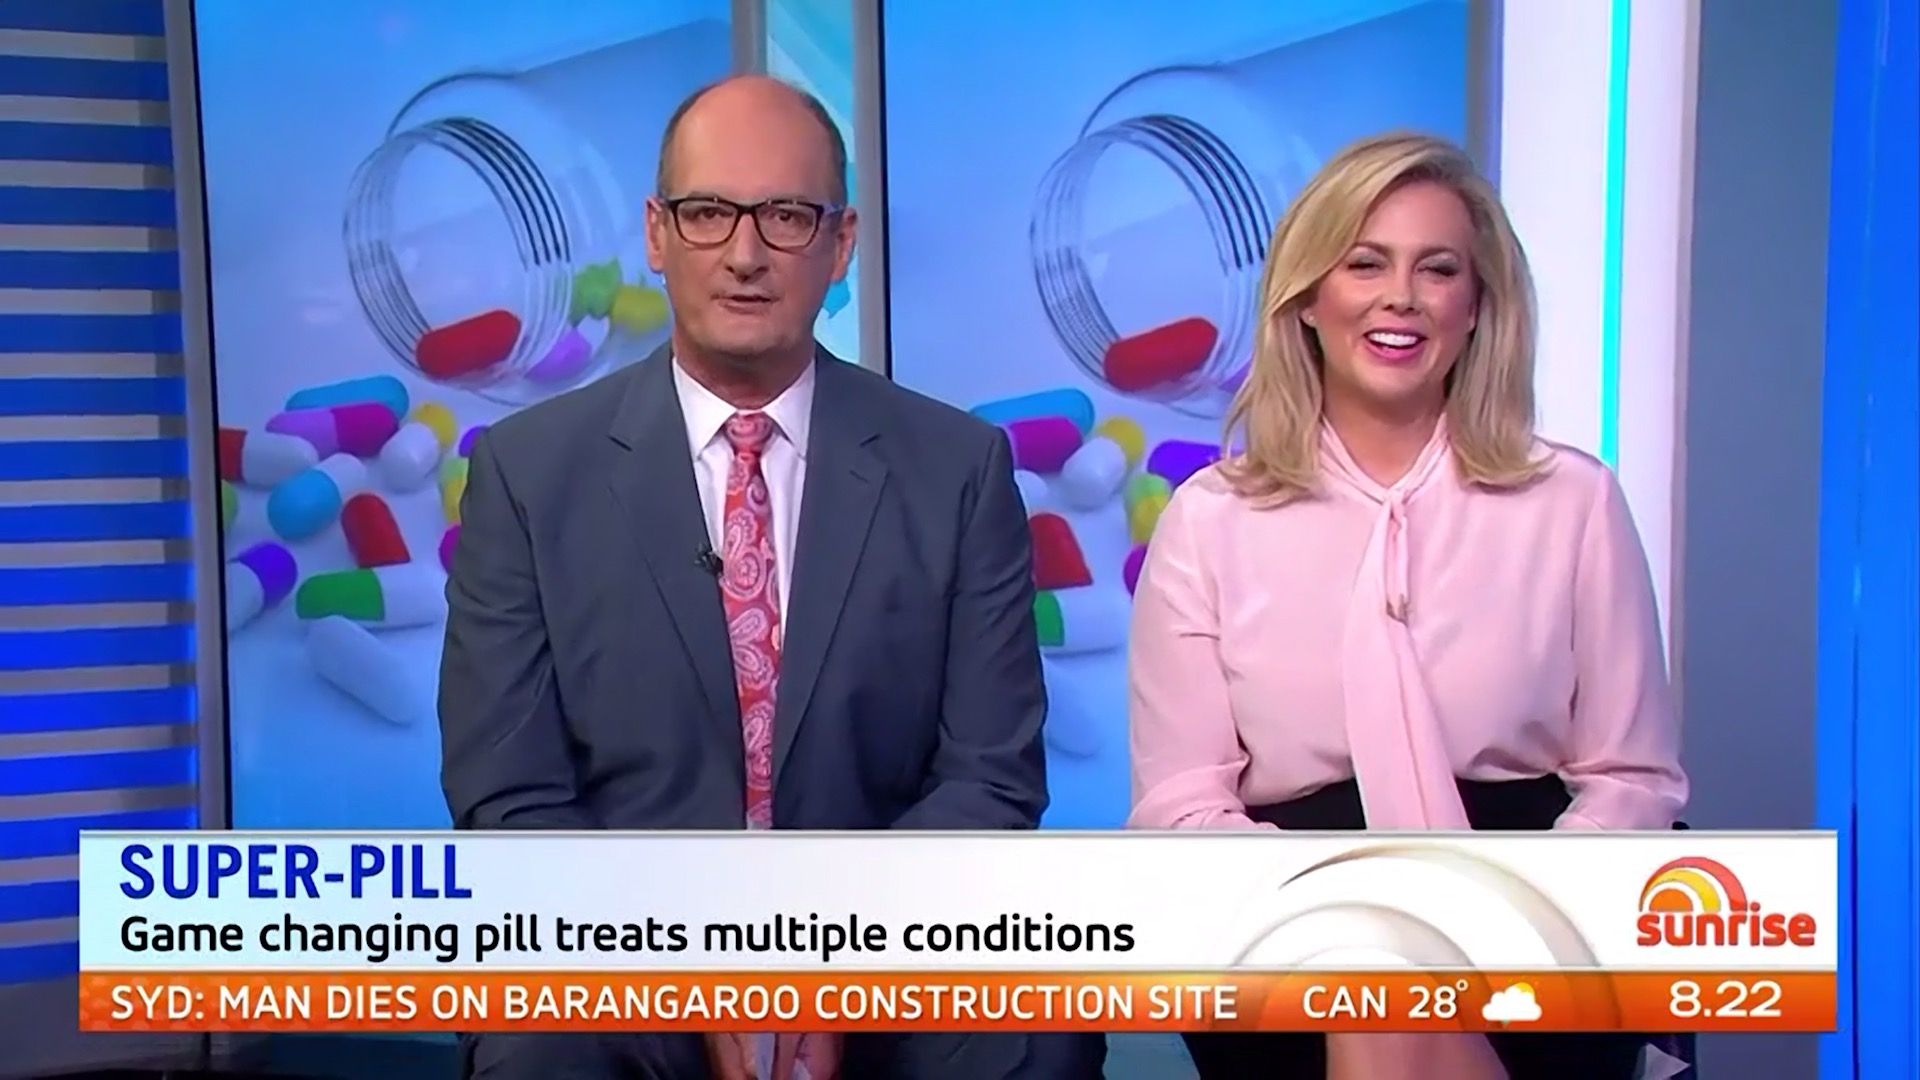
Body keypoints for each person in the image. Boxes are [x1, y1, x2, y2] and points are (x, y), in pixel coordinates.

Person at [439, 76, 1107, 1080]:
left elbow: (990, 778)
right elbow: (509, 797)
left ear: (841, 245)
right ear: (657, 233)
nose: (745, 253)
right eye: (709, 212)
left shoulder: (957, 468)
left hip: (888, 952)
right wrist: (691, 970)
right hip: (626, 959)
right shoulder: (528, 473)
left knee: (1031, 1034)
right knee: (542, 1045)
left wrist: (835, 963)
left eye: (787, 216)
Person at [1126, 132, 1687, 1080]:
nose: (1402, 297)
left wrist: (1519, 921)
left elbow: (1634, 779)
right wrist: (1353, 936)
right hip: (1285, 914)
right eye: (1365, 264)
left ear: (1477, 307)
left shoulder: (1573, 502)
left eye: (1438, 269)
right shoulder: (1211, 519)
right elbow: (1181, 803)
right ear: (1307, 300)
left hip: (1535, 911)